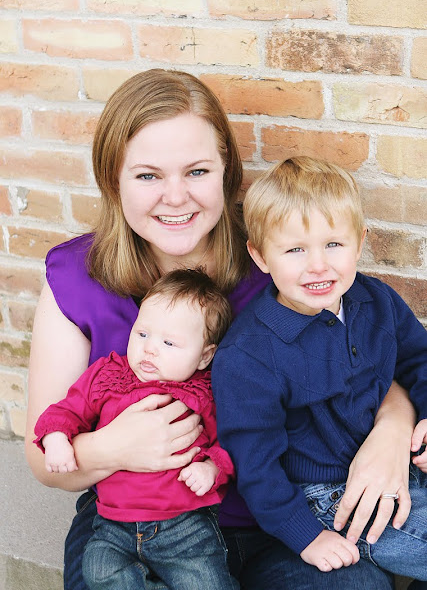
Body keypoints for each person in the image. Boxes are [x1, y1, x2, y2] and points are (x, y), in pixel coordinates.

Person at [25, 68, 417, 590]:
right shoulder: (77, 276)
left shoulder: (281, 255)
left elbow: (362, 354)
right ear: (112, 179)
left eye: (197, 171)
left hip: (279, 521)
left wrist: (393, 428)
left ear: (226, 170)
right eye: (147, 176)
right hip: (134, 526)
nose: (175, 197)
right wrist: (114, 448)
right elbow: (42, 458)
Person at [212, 156, 427, 582]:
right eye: (295, 249)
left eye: (333, 244)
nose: (317, 265)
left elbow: (418, 360)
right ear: (260, 255)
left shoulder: (376, 301)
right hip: (330, 500)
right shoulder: (249, 355)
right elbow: (255, 464)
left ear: (360, 243)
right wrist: (306, 536)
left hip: (401, 465)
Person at [33, 268, 238, 590]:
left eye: (169, 342)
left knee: (206, 582)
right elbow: (65, 411)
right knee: (98, 570)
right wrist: (57, 438)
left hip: (184, 524)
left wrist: (212, 468)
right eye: (142, 334)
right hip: (113, 522)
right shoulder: (108, 376)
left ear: (204, 356)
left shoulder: (204, 393)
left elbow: (230, 442)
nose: (150, 348)